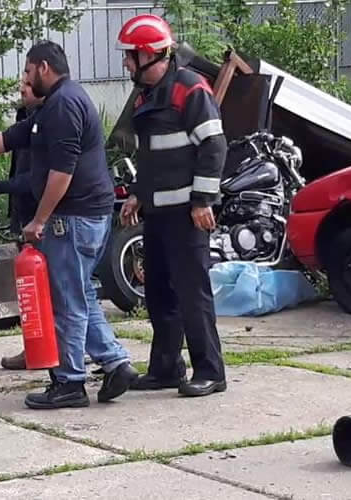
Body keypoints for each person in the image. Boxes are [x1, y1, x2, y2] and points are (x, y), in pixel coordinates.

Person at [0, 41, 136, 410]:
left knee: (66, 302)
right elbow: (7, 140)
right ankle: (114, 362)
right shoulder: (52, 106)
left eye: (26, 71)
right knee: (82, 294)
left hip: (72, 219)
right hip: (83, 217)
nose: (24, 79)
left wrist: (39, 221)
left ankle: (70, 383)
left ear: (42, 68)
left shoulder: (63, 105)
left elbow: (62, 173)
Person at [115, 14, 228, 397]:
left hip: (187, 215)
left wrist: (202, 201)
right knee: (160, 291)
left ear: (149, 55)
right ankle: (166, 368)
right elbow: (152, 156)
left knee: (191, 292)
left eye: (131, 56)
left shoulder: (190, 89)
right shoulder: (148, 95)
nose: (127, 63)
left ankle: (210, 371)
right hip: (158, 214)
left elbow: (214, 147)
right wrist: (137, 193)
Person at [0, 75, 43, 371]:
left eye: (28, 81)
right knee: (28, 286)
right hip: (24, 209)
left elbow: (38, 177)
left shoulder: (49, 119)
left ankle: (47, 348)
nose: (21, 87)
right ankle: (35, 345)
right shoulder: (27, 116)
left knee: (48, 288)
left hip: (40, 214)